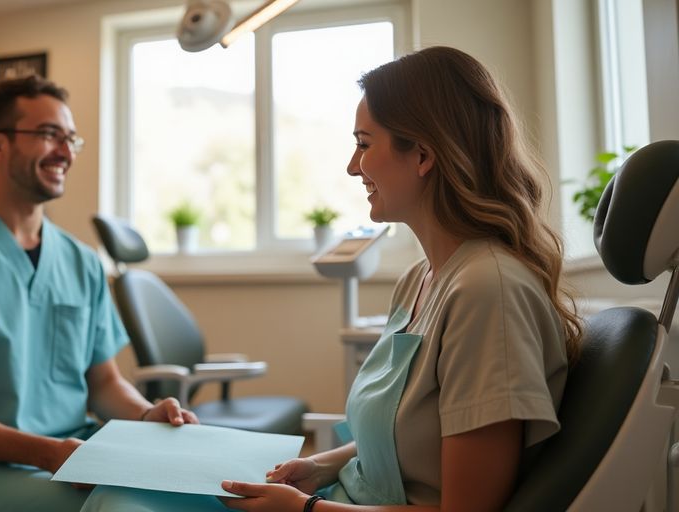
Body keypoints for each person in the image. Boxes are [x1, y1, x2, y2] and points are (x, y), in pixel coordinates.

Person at [81, 45, 582, 512]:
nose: (351, 166)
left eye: (364, 145)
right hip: (341, 495)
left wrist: (304, 510)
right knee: (120, 494)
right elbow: (396, 435)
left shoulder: (486, 291)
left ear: (424, 156)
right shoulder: (421, 279)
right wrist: (318, 467)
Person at [0, 75, 198, 512]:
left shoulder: (82, 261)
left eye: (70, 138)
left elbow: (103, 383)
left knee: (200, 492)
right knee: (122, 507)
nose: (66, 152)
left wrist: (146, 415)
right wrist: (46, 453)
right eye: (50, 135)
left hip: (72, 452)